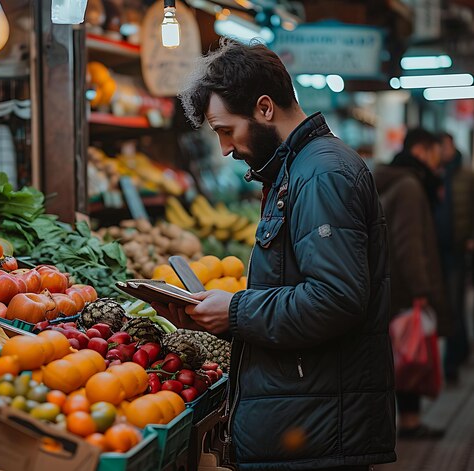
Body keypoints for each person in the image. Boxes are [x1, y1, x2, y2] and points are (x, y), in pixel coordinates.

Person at [155, 39, 397, 470]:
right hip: (307, 421)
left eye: (226, 130)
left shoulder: (322, 174)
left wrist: (236, 311)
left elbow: (336, 299)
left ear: (265, 108)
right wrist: (224, 317)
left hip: (315, 434)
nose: (226, 148)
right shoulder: (301, 169)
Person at [373, 128, 449, 440]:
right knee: (408, 356)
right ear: (420, 151)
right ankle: (408, 423)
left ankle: (403, 421)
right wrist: (422, 291)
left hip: (390, 285)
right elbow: (409, 245)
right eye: (435, 155)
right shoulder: (410, 186)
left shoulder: (395, 180)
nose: (439, 164)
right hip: (403, 289)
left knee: (398, 356)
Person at [435, 132, 473, 384]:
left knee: (454, 305)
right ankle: (458, 352)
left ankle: (455, 358)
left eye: (443, 145)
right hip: (437, 250)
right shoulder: (435, 175)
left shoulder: (466, 176)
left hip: (458, 250)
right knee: (447, 304)